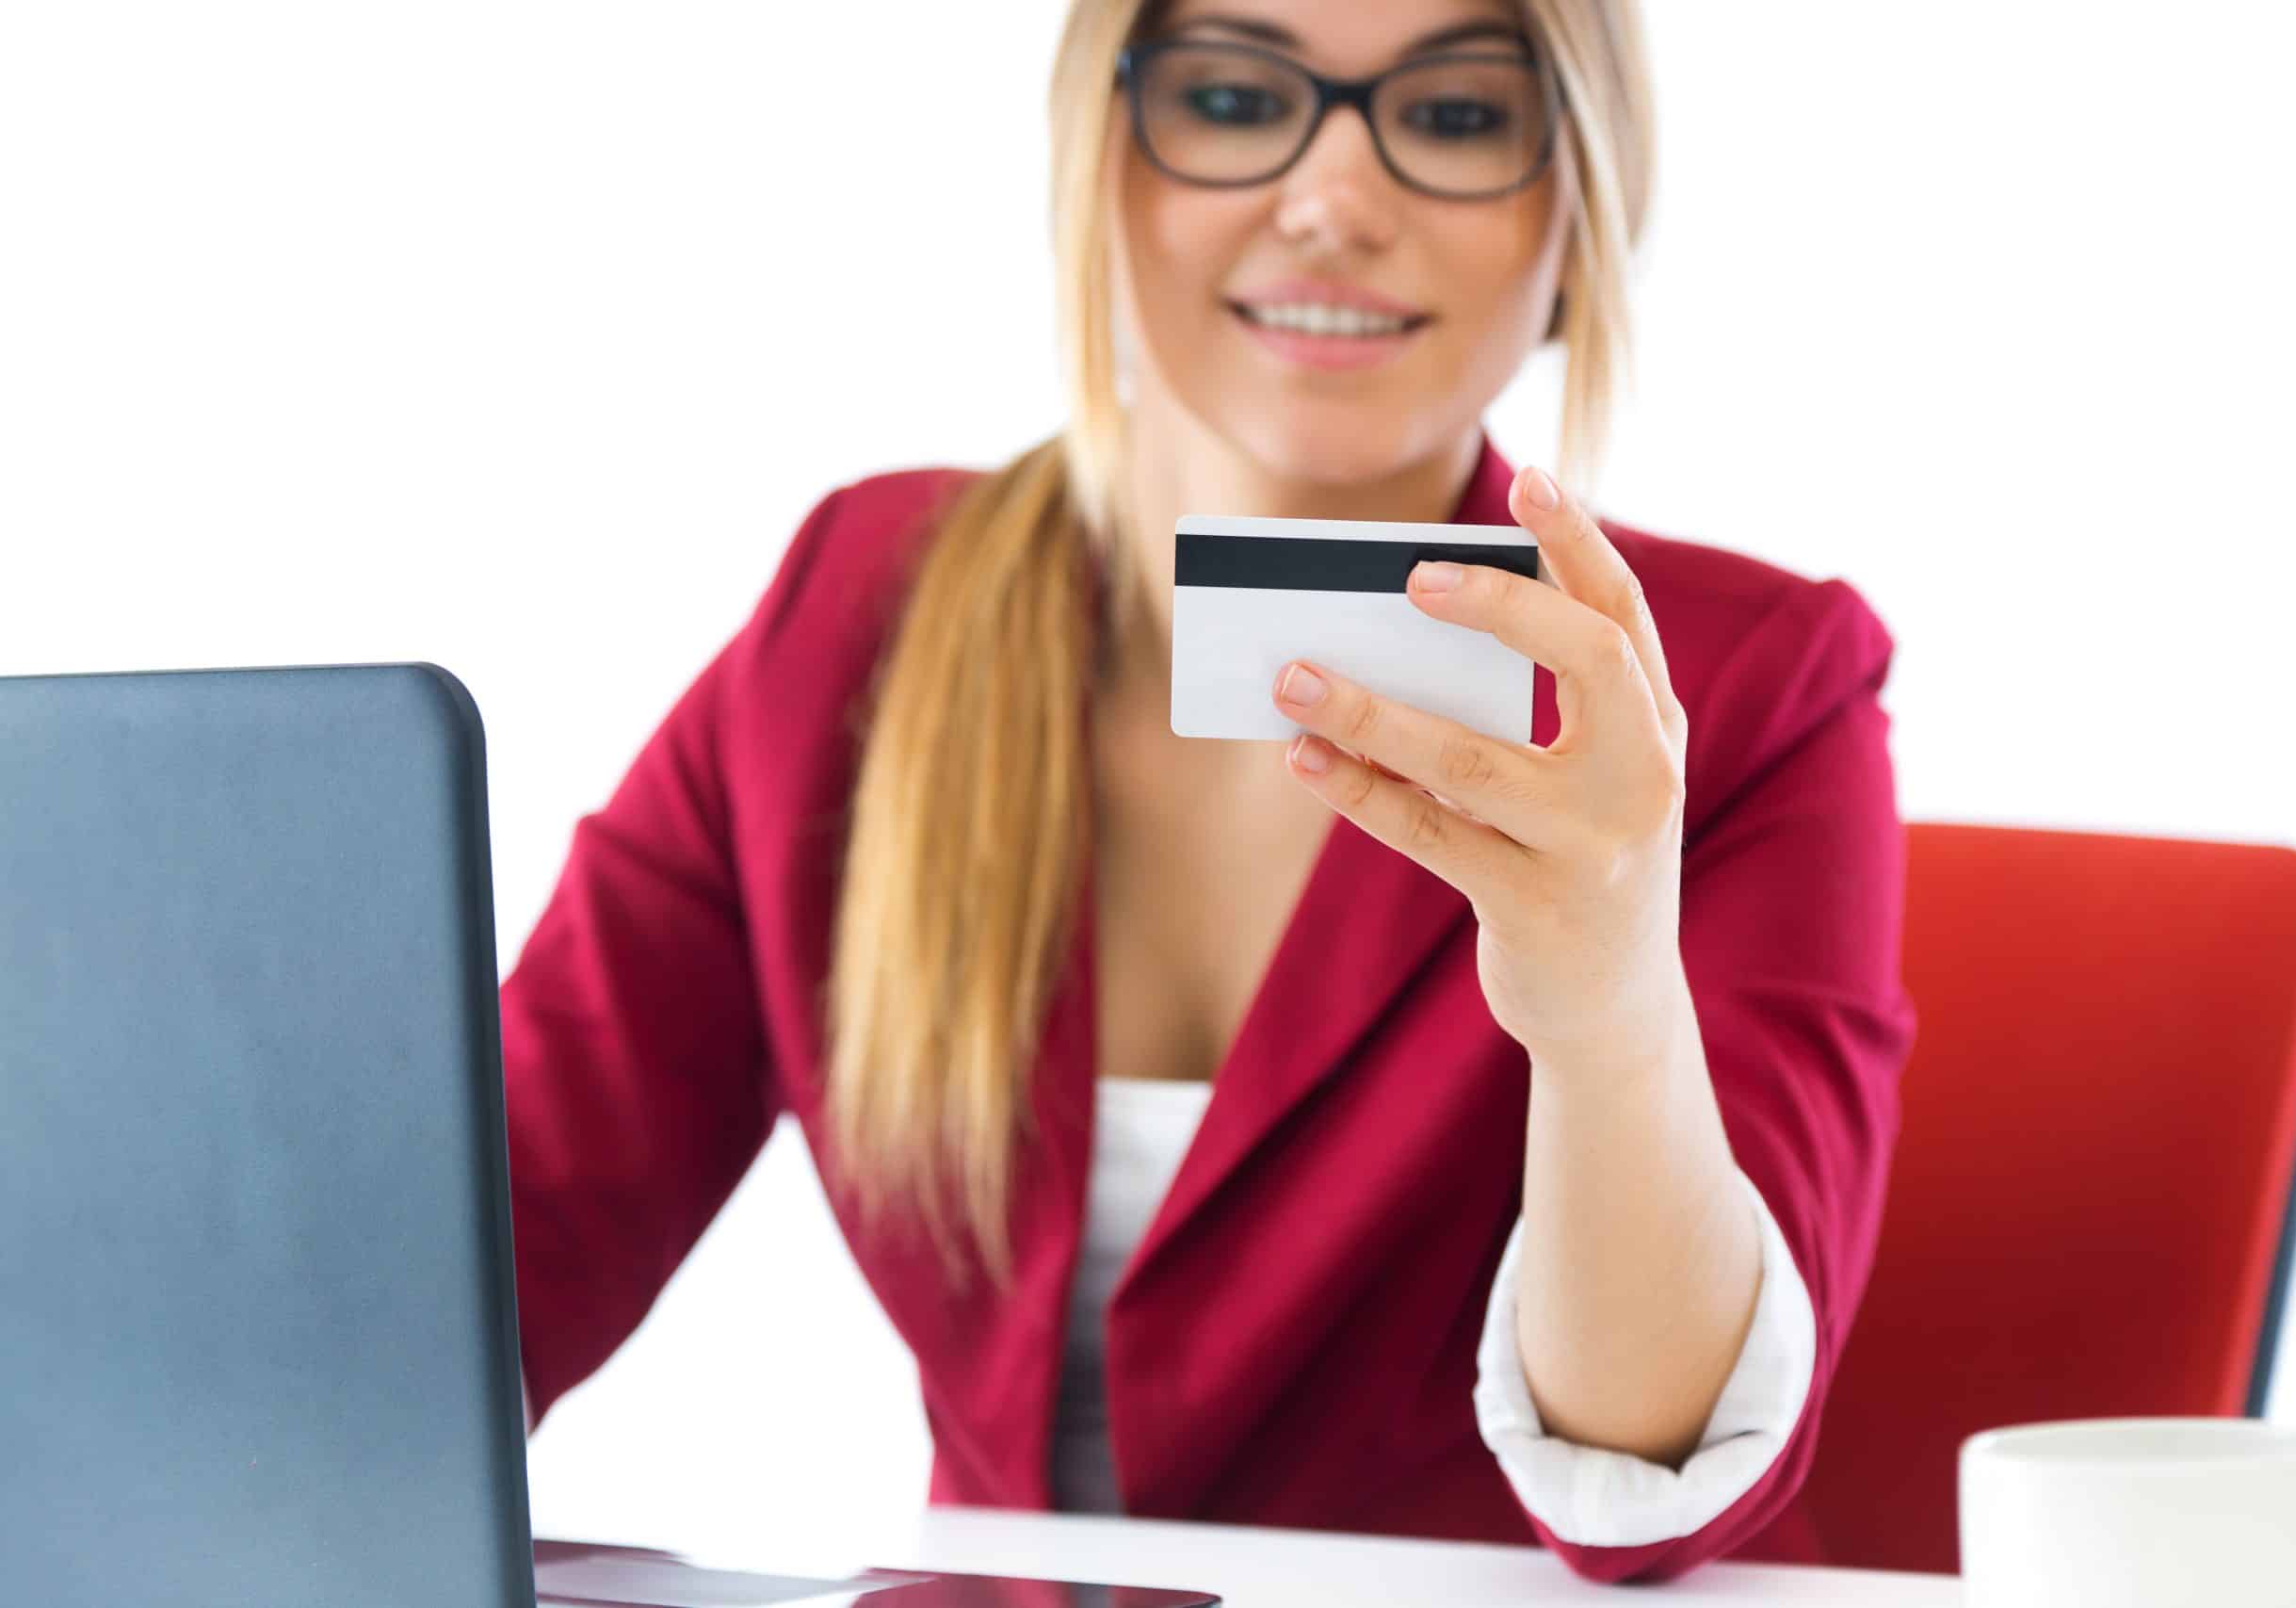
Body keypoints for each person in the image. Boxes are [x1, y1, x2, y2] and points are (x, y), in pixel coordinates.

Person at [502, 0, 1916, 1586]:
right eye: (1237, 97)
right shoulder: (853, 621)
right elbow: (479, 1278)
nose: (1333, 197)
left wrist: (1603, 1014)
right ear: (1095, 164)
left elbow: (1657, 1478)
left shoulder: (1739, 692)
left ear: (1583, 215)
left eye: (1453, 118)